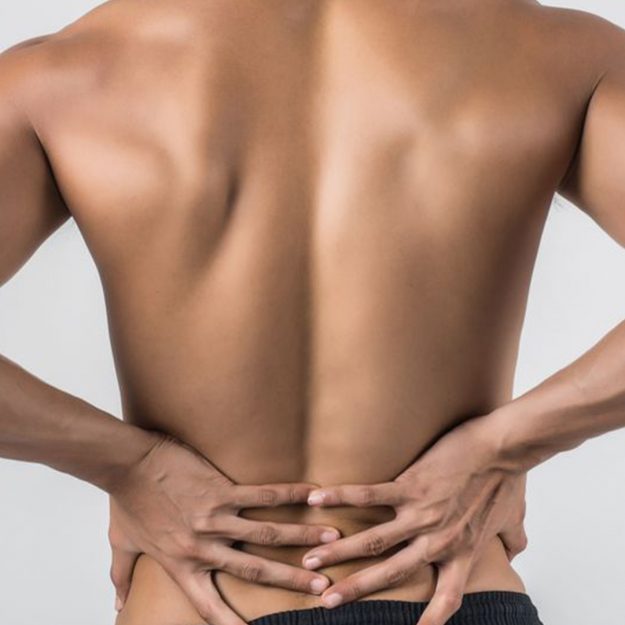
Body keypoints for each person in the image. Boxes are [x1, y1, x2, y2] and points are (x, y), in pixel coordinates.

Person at [2, 0, 625, 623]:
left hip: (198, 607)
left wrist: (127, 465)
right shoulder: (555, 54)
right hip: (446, 601)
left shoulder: (65, 76)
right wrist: (508, 444)